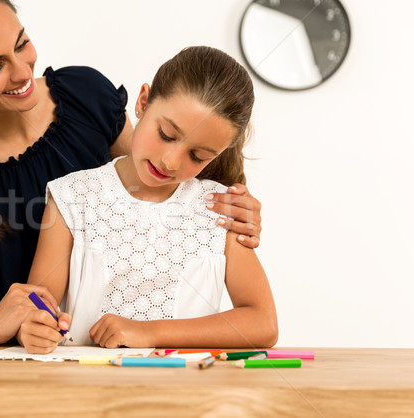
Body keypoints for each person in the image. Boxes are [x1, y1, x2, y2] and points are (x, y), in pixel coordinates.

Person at [0, 0, 263, 346]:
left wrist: (233, 210)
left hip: (100, 359)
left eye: (22, 44)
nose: (22, 73)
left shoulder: (85, 100)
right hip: (5, 374)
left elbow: (158, 169)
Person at [20, 46, 277, 353]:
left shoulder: (221, 209)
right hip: (87, 389)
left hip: (189, 391)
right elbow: (37, 306)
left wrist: (148, 332)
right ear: (143, 102)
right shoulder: (72, 197)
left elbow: (263, 324)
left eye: (198, 156)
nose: (170, 162)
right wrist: (33, 328)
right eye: (167, 134)